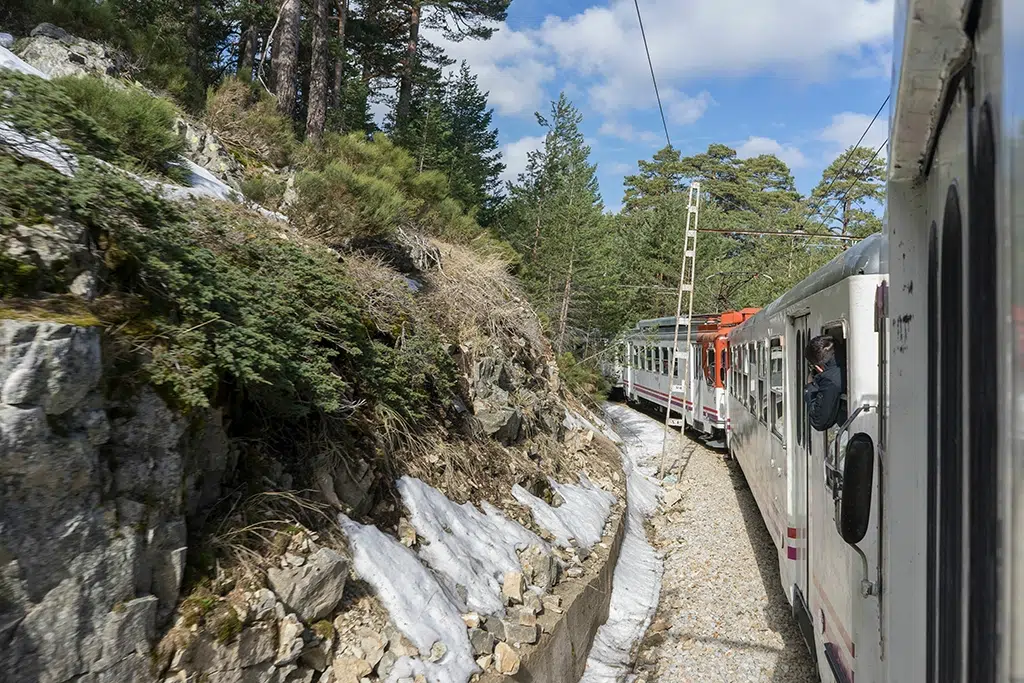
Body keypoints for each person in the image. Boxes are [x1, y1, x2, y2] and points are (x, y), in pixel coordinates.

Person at [804, 335, 845, 431]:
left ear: (818, 367)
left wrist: (810, 387)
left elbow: (818, 421)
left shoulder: (829, 381)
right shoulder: (844, 363)